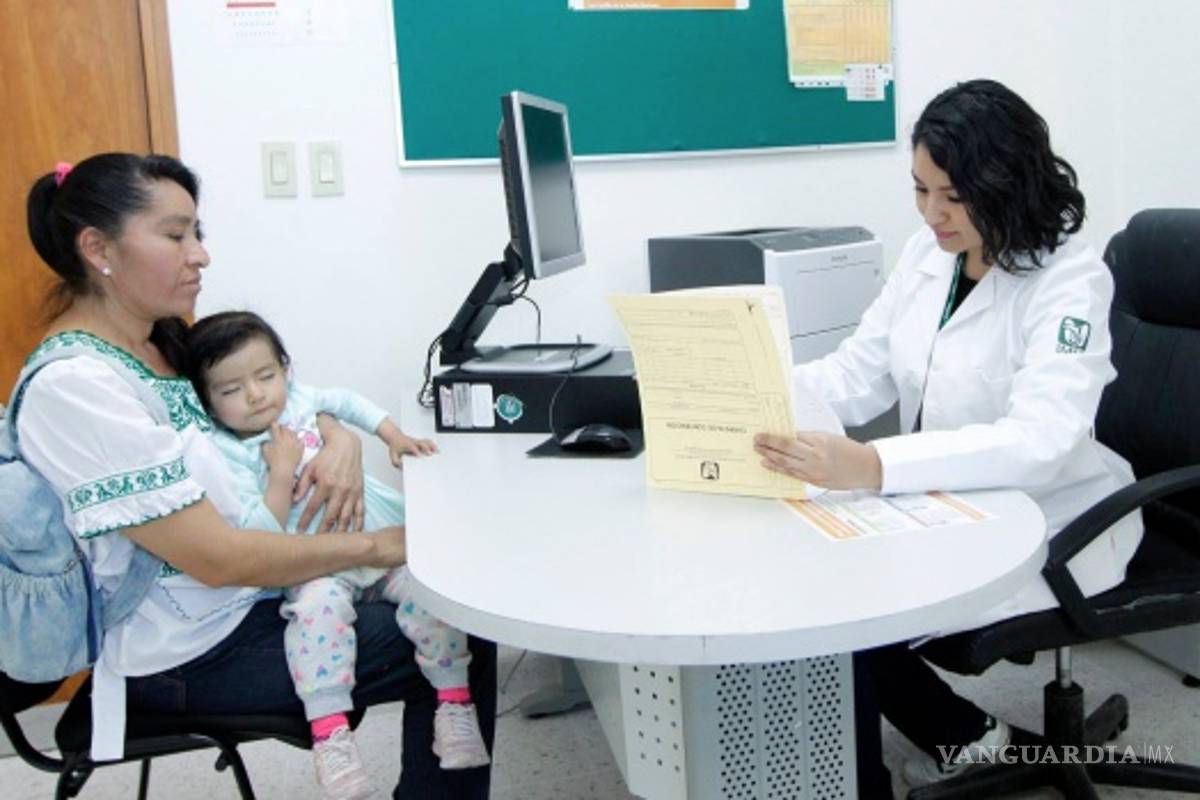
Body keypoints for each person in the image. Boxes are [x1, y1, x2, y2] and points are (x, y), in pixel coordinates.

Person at [17, 152, 495, 799]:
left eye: (198, 233)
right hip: (182, 651)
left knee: (447, 600)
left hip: (246, 599)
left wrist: (336, 440)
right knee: (462, 616)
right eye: (175, 234)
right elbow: (217, 558)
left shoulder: (160, 342)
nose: (200, 255)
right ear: (98, 247)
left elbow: (275, 408)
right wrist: (384, 544)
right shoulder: (78, 387)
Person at [753, 80, 1143, 794]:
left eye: (953, 197)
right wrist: (764, 397)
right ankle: (966, 737)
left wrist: (871, 463)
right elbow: (860, 370)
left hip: (1058, 517)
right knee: (813, 588)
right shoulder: (927, 253)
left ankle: (933, 751)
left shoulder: (1069, 277)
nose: (933, 213)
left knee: (845, 616)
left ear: (1007, 184)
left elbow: (1042, 439)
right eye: (920, 190)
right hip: (945, 502)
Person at [185, 309, 490, 794]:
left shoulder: (302, 404)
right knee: (315, 615)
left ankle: (454, 704)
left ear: (286, 369)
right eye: (230, 390)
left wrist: (393, 437)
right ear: (206, 401)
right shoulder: (227, 454)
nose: (255, 394)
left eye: (266, 376)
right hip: (317, 567)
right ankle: (331, 735)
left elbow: (348, 403)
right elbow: (259, 534)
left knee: (437, 596)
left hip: (380, 551)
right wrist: (281, 474)